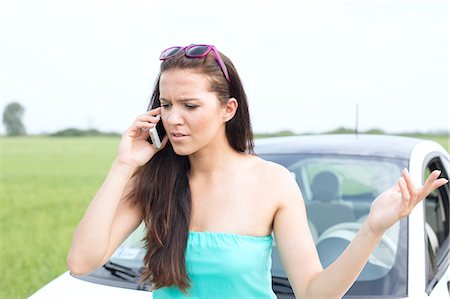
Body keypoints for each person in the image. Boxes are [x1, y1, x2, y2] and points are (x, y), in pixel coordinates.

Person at [66, 44, 448, 298]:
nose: (173, 118)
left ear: (227, 109)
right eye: (166, 104)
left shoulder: (273, 184)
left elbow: (314, 291)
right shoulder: (155, 180)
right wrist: (123, 166)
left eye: (190, 106)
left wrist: (373, 228)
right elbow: (82, 261)